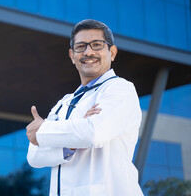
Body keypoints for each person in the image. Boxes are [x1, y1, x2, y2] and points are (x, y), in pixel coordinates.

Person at [26, 19, 143, 196]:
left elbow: (94, 133)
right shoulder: (64, 102)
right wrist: (72, 142)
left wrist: (45, 130)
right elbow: (34, 156)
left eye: (96, 45)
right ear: (72, 56)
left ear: (112, 52)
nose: (88, 52)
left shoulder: (120, 89)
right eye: (81, 47)